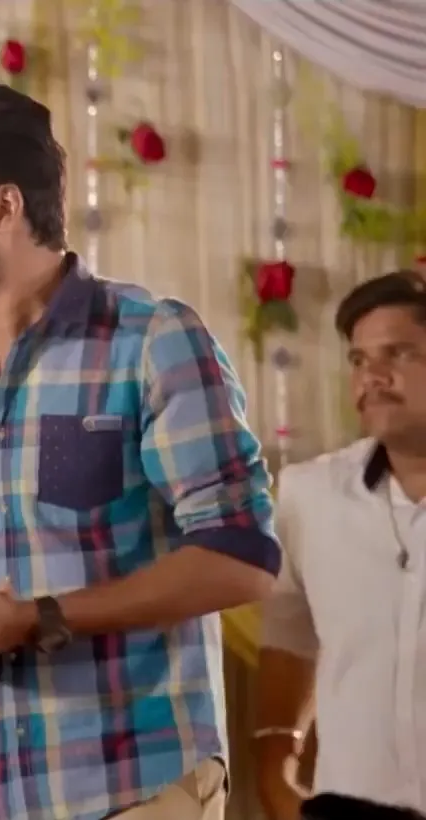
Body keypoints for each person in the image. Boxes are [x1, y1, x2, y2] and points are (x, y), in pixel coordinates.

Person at [0, 85, 279, 820]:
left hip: (141, 786)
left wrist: (38, 617)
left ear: (3, 208)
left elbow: (241, 556)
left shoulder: (152, 341)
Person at [255, 272, 426, 819]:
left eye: (399, 353)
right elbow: (289, 634)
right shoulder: (311, 496)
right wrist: (277, 766)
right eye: (358, 359)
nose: (372, 376)